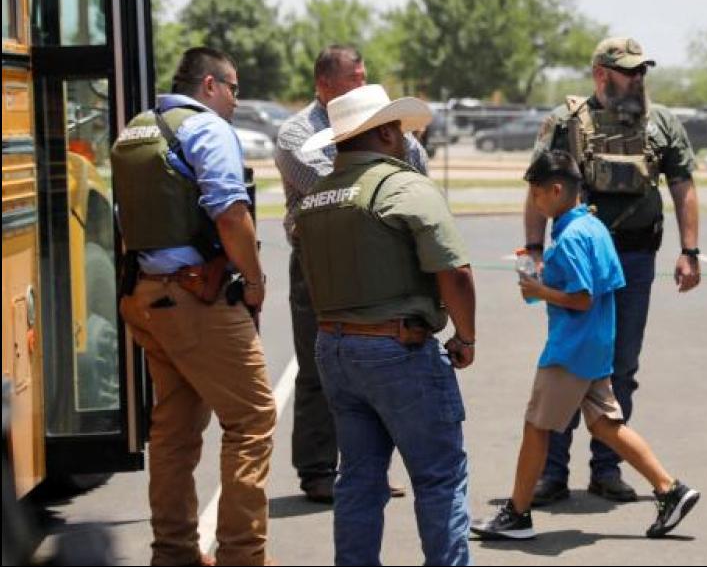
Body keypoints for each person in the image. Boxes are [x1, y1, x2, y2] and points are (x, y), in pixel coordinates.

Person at [472, 151, 701, 541]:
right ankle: (670, 489)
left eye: (536, 193)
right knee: (606, 425)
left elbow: (581, 297)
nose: (534, 202)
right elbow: (601, 284)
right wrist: (546, 282)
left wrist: (539, 290)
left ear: (555, 190)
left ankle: (517, 515)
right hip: (596, 344)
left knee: (536, 427)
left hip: (570, 349)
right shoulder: (593, 226)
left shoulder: (571, 236)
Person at [296, 84, 477, 565]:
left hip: (335, 348)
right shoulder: (404, 186)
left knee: (358, 477)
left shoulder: (315, 197)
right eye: (397, 127)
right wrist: (466, 336)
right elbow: (456, 273)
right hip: (397, 348)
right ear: (385, 133)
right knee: (439, 477)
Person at [111, 47, 275, 566]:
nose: (235, 100)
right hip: (195, 298)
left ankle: (175, 552)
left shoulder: (136, 131)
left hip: (145, 295)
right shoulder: (206, 128)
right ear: (210, 85)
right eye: (233, 89)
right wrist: (254, 281)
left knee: (174, 430)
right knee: (252, 418)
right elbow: (229, 212)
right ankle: (243, 557)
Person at [524, 36, 701, 505]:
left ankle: (607, 469)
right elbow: (536, 189)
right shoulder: (564, 122)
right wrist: (534, 250)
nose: (639, 78)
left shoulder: (662, 122)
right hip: (575, 263)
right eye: (629, 71)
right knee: (566, 362)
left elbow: (682, 185)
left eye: (643, 70)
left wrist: (690, 251)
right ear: (601, 74)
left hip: (636, 261)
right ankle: (551, 475)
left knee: (621, 366)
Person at [274, 44, 425, 503]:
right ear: (324, 85)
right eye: (354, 78)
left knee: (376, 364)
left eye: (364, 75)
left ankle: (368, 468)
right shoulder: (297, 134)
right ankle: (318, 470)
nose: (364, 84)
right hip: (320, 265)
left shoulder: (377, 124)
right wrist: (388, 174)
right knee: (318, 366)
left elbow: (417, 169)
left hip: (378, 261)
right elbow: (339, 190)